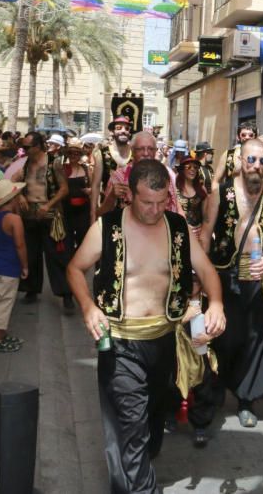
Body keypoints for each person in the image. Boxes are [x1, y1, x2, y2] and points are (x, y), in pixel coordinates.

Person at [66, 159, 226, 494]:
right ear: (130, 196)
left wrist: (217, 304)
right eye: (146, 202)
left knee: (151, 420)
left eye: (160, 201)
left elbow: (208, 271)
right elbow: (75, 269)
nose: (154, 210)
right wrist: (88, 307)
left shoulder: (177, 228)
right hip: (120, 342)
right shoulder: (106, 227)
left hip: (164, 341)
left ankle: (132, 471)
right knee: (131, 423)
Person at [199, 136, 263, 429]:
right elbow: (205, 235)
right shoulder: (220, 193)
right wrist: (200, 281)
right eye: (252, 159)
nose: (257, 166)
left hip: (258, 279)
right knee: (221, 338)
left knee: (253, 340)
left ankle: (245, 399)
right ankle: (213, 395)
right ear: (239, 162)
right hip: (225, 275)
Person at [10, 131, 72, 309]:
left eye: (28, 147)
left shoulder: (54, 163)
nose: (25, 150)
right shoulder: (26, 164)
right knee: (31, 253)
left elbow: (64, 189)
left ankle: (66, 293)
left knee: (57, 255)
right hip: (30, 214)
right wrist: (20, 195)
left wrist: (49, 205)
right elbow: (13, 182)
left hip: (51, 215)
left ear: (38, 146)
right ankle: (31, 289)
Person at [0, 180, 29, 353]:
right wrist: (24, 266)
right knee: (3, 304)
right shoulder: (14, 220)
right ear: (12, 199)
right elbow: (20, 245)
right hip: (8, 268)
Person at [91, 117, 133, 224]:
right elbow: (95, 185)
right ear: (112, 132)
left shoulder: (135, 153)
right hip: (108, 208)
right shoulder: (102, 153)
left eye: (127, 128)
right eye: (119, 128)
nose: (123, 130)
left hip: (132, 211)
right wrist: (93, 214)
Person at [213, 123, 263, 188]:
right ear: (238, 137)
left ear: (255, 137)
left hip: (256, 196)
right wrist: (218, 197)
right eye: (243, 135)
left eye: (250, 135)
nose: (247, 137)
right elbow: (216, 181)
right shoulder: (228, 155)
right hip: (231, 197)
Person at [62, 138, 91, 250]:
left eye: (76, 153)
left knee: (82, 239)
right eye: (71, 153)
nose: (73, 155)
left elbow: (93, 186)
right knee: (67, 240)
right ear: (67, 154)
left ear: (80, 155)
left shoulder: (86, 169)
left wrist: (90, 191)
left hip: (83, 209)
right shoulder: (62, 169)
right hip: (67, 209)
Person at [176, 151, 209, 240]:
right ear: (182, 169)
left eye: (195, 167)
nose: (192, 170)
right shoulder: (175, 189)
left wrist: (205, 235)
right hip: (179, 231)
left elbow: (206, 217)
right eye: (189, 167)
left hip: (198, 233)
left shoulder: (202, 189)